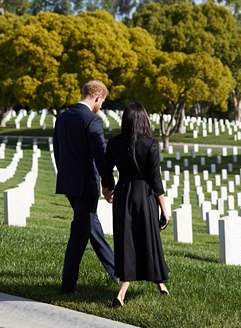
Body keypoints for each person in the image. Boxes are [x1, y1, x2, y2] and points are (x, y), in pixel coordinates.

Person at [101, 101, 170, 308]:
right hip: (145, 196)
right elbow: (155, 179)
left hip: (123, 194)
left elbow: (105, 169)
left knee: (126, 241)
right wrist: (165, 210)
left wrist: (108, 188)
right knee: (149, 239)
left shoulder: (114, 143)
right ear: (144, 120)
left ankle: (123, 291)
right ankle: (159, 282)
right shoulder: (150, 144)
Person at [53, 80, 117, 293]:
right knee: (79, 234)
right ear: (97, 97)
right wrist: (109, 184)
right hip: (86, 185)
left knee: (91, 226)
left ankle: (116, 271)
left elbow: (57, 150)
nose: (102, 107)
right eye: (103, 102)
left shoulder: (62, 117)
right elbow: (100, 155)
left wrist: (64, 175)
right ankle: (67, 285)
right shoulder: (92, 120)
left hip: (68, 183)